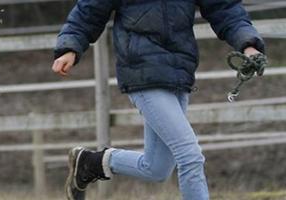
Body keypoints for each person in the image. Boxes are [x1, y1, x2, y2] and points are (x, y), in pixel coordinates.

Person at [51, 1, 266, 200]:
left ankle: (91, 163)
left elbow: (224, 8)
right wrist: (70, 47)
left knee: (156, 168)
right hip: (141, 71)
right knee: (190, 157)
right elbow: (89, 10)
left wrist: (249, 44)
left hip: (179, 73)